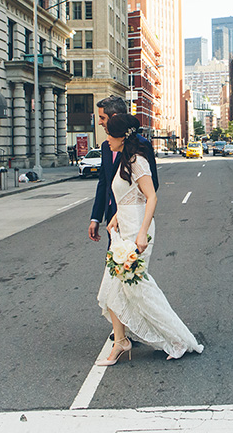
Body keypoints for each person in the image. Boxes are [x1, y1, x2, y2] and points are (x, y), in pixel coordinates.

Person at [95, 113, 203, 365]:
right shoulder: (124, 159)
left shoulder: (137, 161)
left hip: (137, 231)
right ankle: (121, 341)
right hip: (123, 229)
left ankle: (178, 339)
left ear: (122, 136)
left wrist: (142, 232)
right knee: (113, 289)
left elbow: (151, 197)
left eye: (110, 133)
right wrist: (115, 218)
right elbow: (128, 197)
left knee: (138, 288)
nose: (107, 138)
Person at [89, 96, 158, 246]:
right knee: (116, 264)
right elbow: (104, 183)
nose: (99, 122)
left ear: (114, 118)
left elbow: (151, 187)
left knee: (127, 265)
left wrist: (133, 214)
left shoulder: (140, 148)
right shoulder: (107, 146)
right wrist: (96, 217)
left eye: (102, 117)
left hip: (134, 220)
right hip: (113, 218)